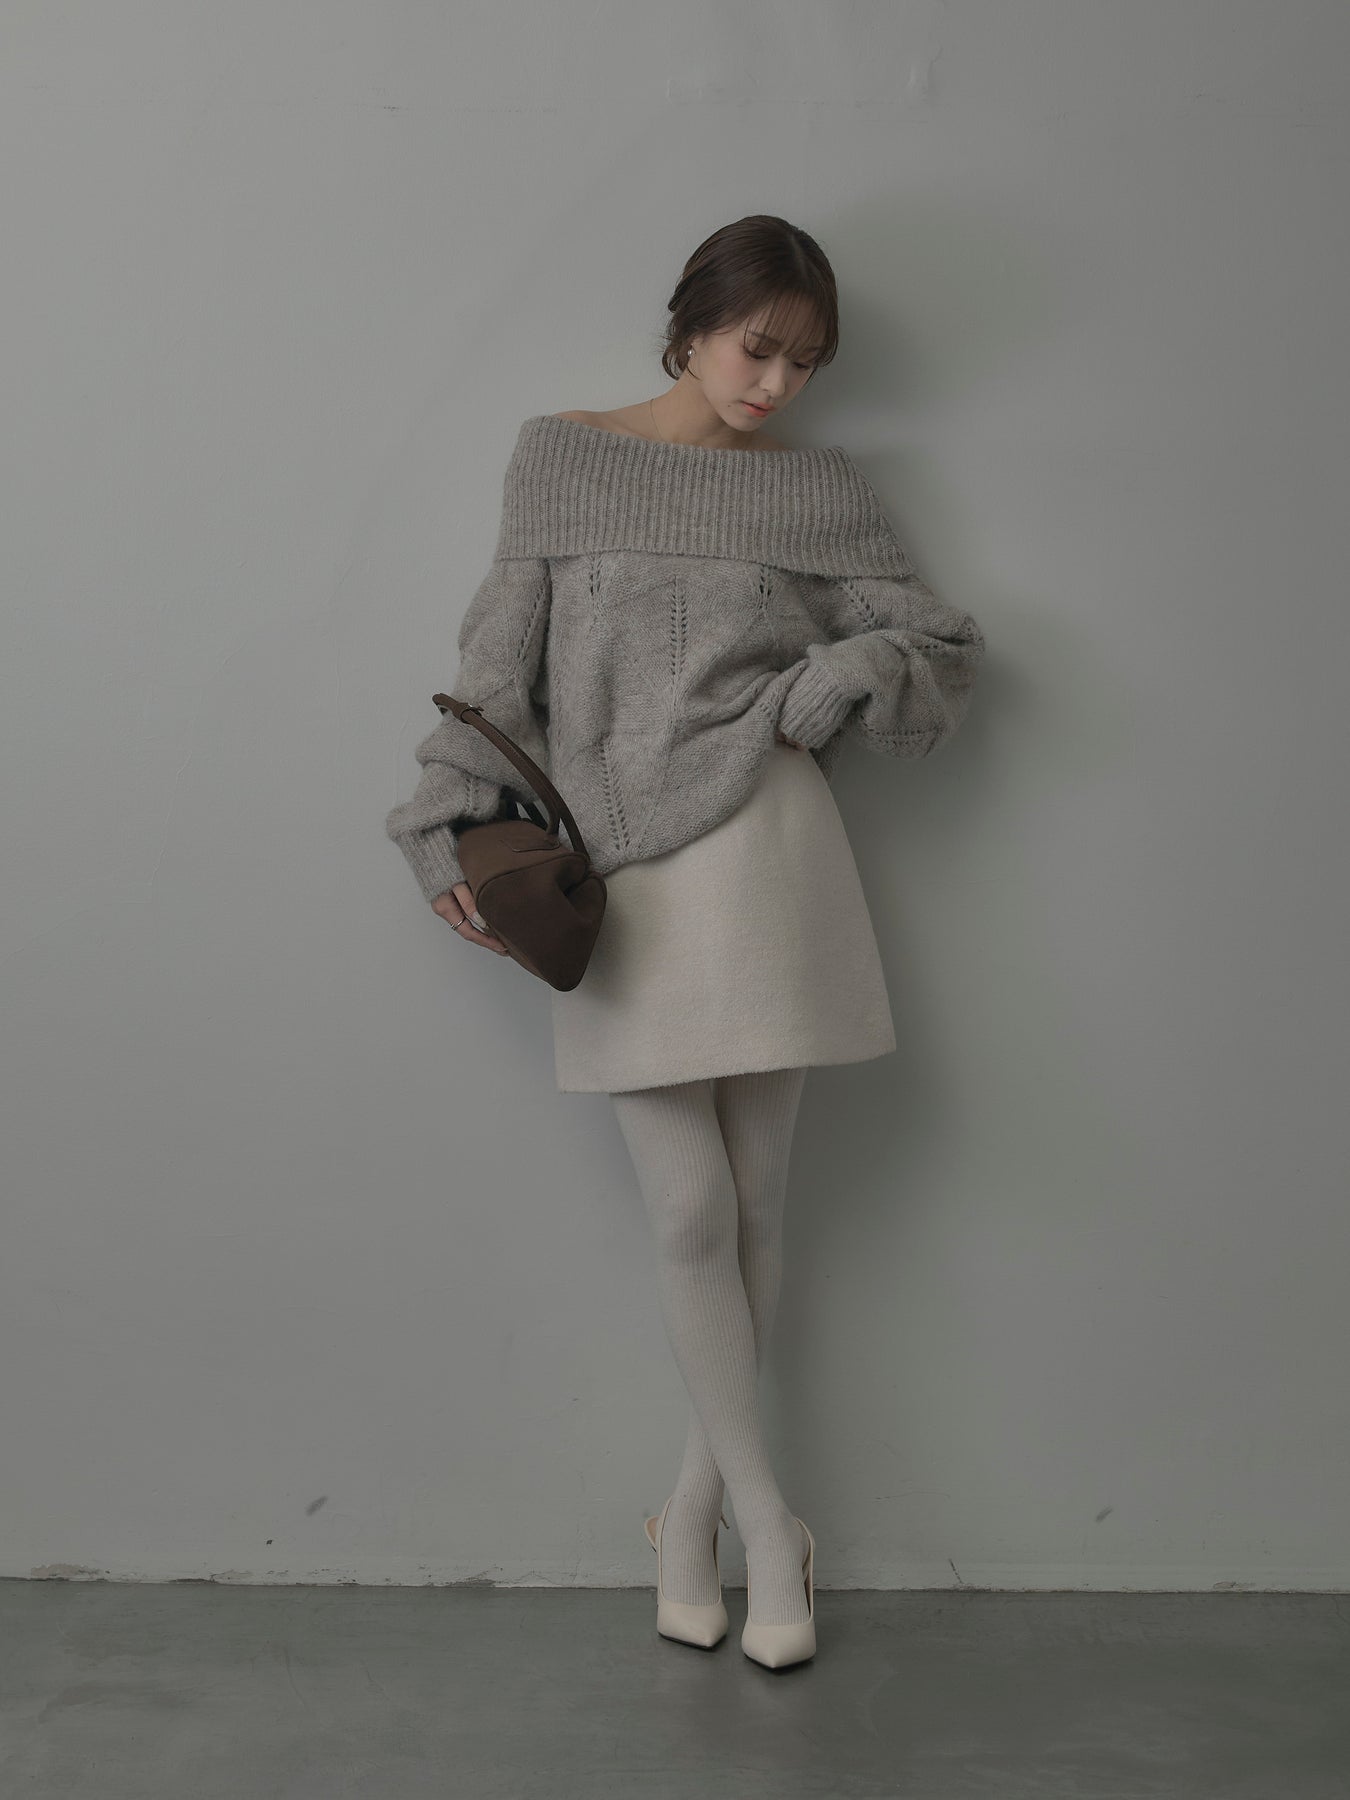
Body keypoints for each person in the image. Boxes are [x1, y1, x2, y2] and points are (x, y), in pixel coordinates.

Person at [385, 214, 985, 1669]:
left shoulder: (821, 495)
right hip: (620, 874)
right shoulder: (562, 458)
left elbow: (942, 645)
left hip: (774, 857)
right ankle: (771, 1522)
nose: (775, 384)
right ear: (691, 325)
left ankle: (697, 1514)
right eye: (755, 349)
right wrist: (441, 824)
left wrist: (851, 662)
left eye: (804, 363)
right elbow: (494, 671)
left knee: (759, 1199)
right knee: (688, 1212)